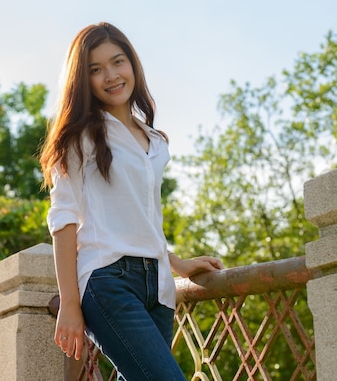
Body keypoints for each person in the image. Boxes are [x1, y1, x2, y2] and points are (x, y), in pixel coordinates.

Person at [39, 22, 224, 381]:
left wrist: (180, 265)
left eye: (117, 62)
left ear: (133, 65)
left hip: (158, 288)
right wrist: (71, 305)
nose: (111, 75)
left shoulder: (156, 141)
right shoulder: (79, 138)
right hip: (108, 282)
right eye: (95, 69)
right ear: (83, 80)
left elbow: (141, 220)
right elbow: (63, 221)